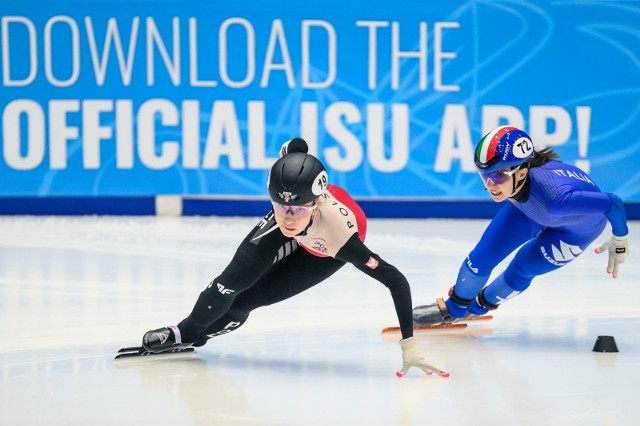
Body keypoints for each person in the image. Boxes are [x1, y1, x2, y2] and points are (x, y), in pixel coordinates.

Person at [141, 137, 448, 378]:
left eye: (298, 209)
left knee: (247, 300)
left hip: (323, 250)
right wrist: (287, 209)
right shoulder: (287, 193)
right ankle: (184, 331)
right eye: (280, 205)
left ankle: (204, 332)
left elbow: (395, 280)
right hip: (309, 229)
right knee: (229, 283)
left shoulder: (341, 238)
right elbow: (296, 148)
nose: (288, 218)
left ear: (315, 204)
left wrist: (409, 344)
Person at [413, 125, 630, 325]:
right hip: (529, 209)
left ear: (523, 173)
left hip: (576, 231)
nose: (490, 185)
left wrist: (620, 239)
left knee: (522, 268)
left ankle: (477, 308)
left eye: (497, 176)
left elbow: (612, 202)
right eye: (484, 175)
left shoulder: (556, 201)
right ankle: (455, 309)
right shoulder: (518, 180)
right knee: (481, 258)